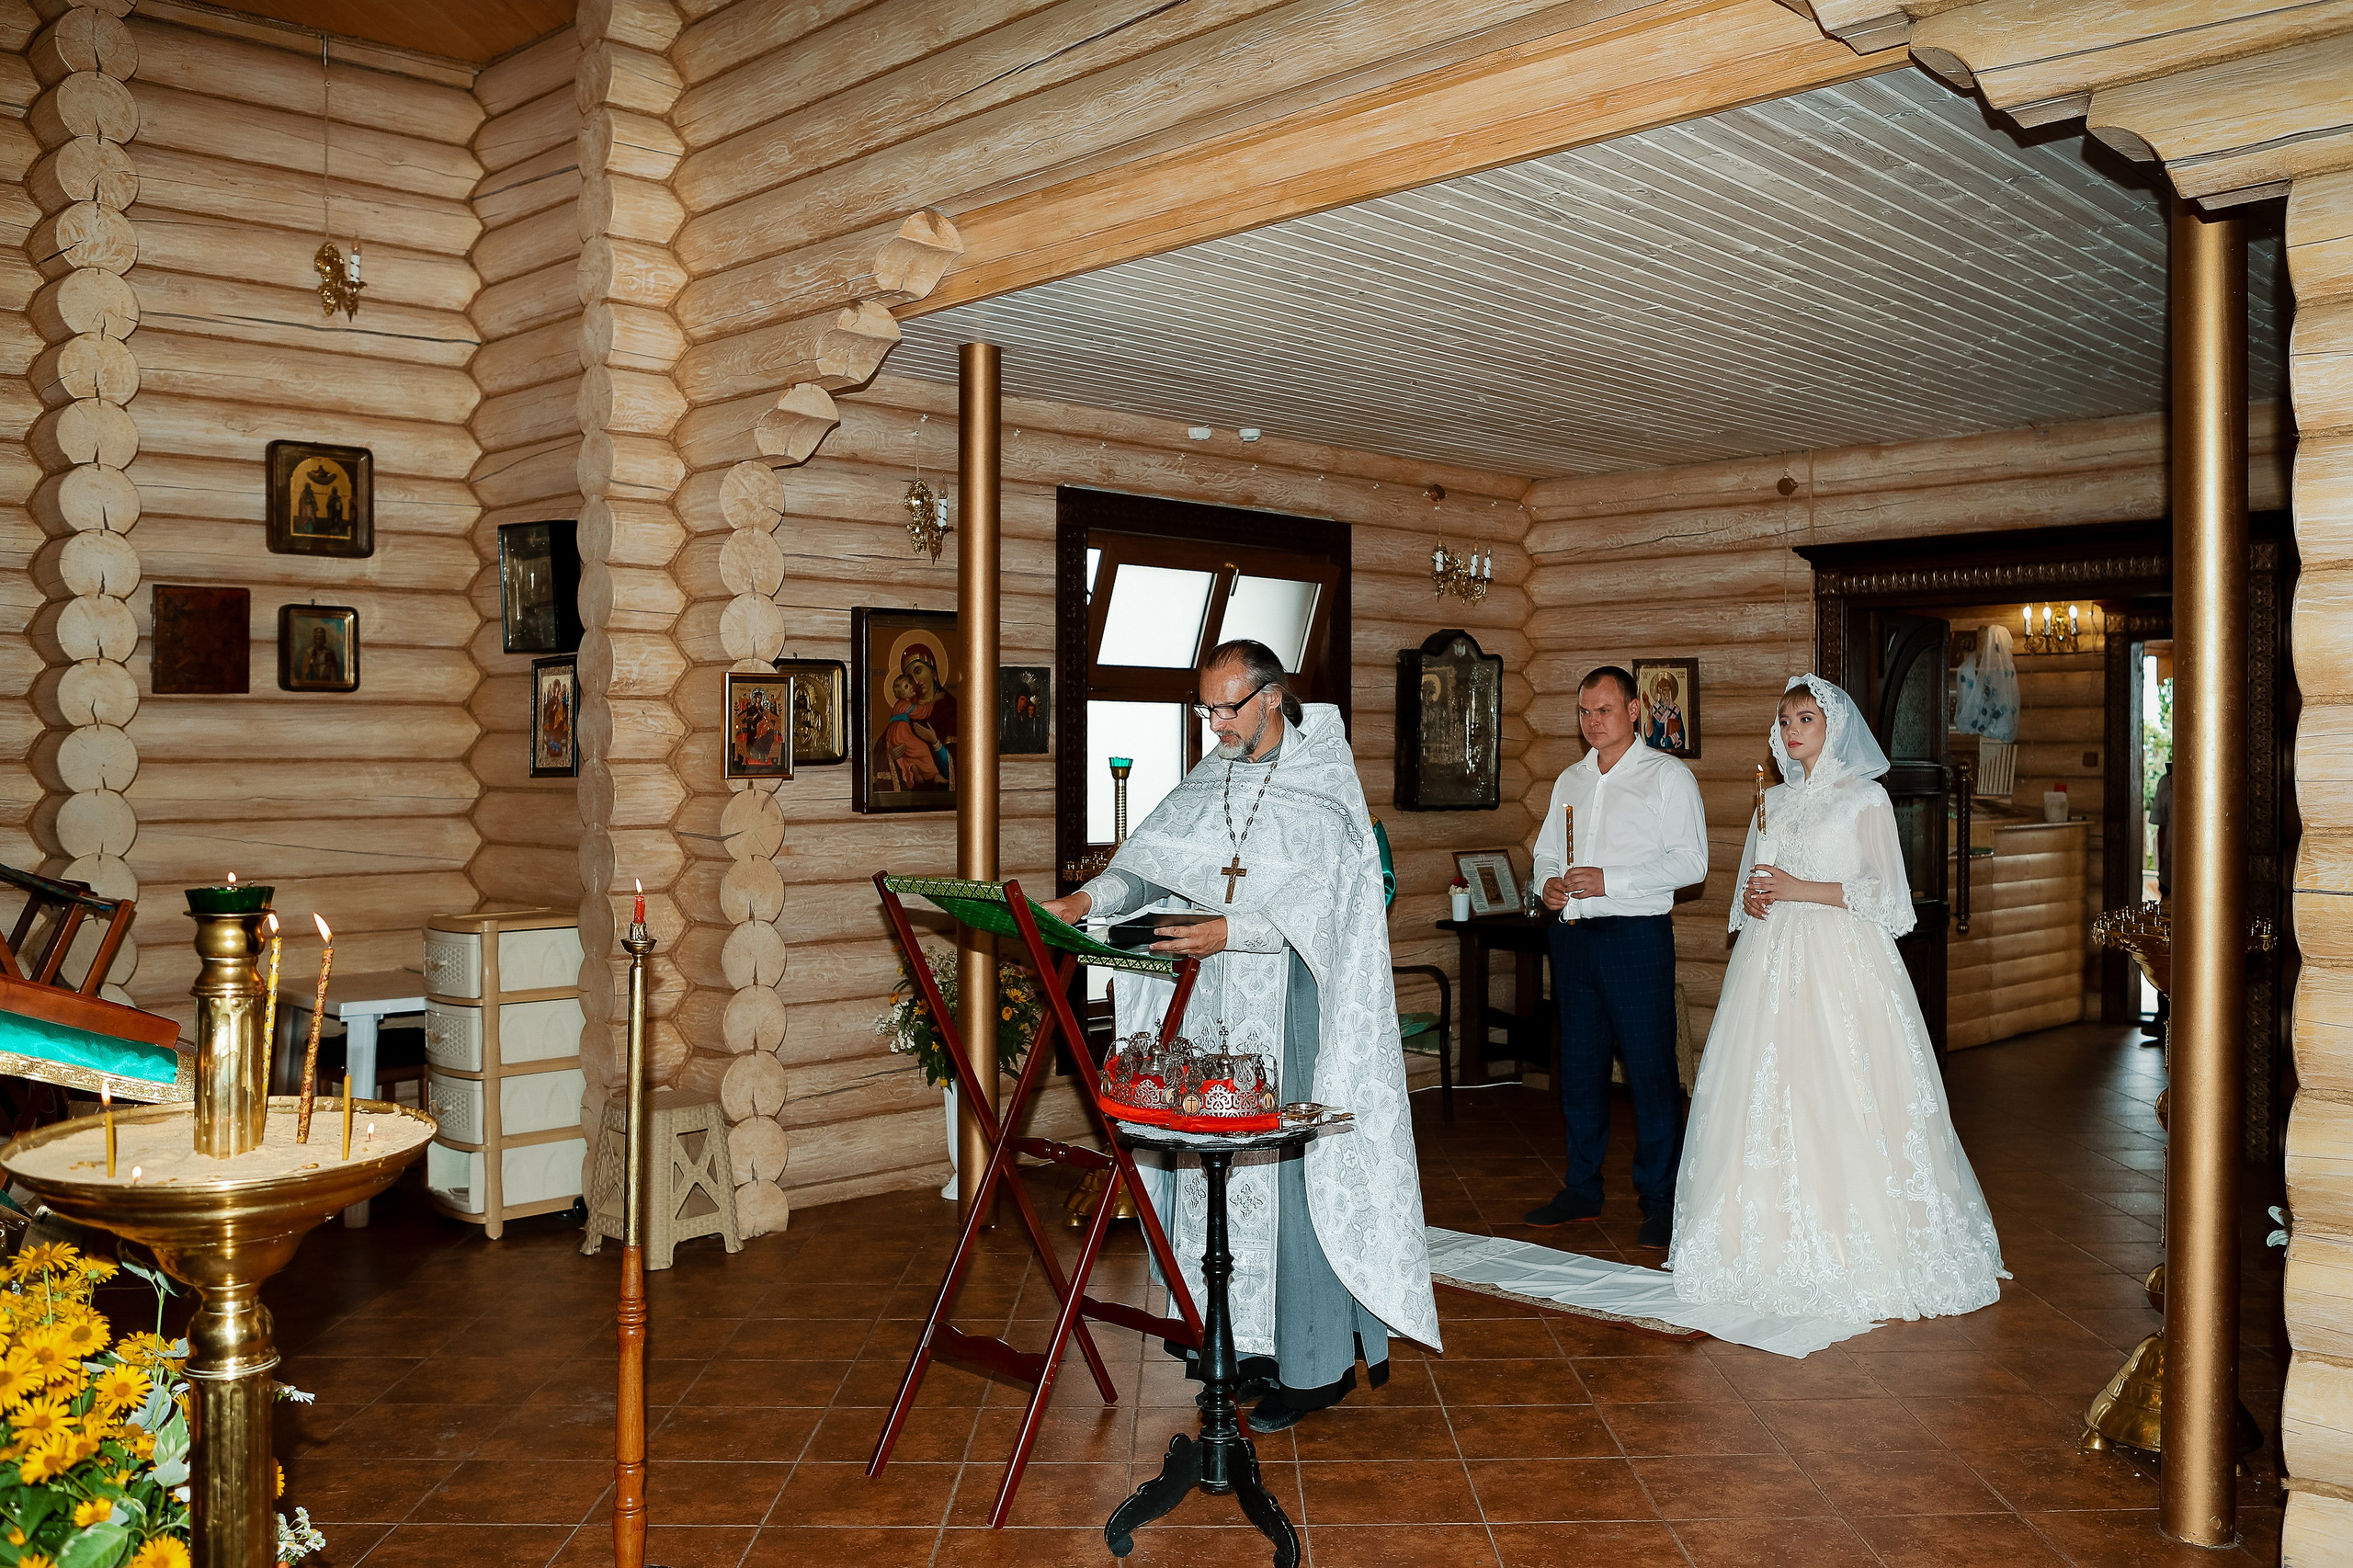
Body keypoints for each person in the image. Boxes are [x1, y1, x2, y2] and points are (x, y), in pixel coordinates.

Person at [1039, 640, 1438, 1433]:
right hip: (1211, 1002)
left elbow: (1332, 908)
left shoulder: (1326, 785)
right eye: (1206, 709)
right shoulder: (1210, 775)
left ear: (1272, 698)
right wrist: (1086, 903)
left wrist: (1235, 928)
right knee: (1209, 1172)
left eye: (1228, 707)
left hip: (1290, 1006)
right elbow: (1152, 862)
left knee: (1289, 1179)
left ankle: (1314, 1367)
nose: (1214, 724)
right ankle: (1241, 1349)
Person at [1669, 675, 2005, 1323]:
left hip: (1843, 962)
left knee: (1842, 1086)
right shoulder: (1775, 801)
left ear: (1835, 727)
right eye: (1786, 720)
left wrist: (1798, 887)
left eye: (1806, 719)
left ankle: (1861, 1242)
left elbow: (1889, 899)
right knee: (1768, 1091)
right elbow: (1753, 887)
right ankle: (1759, 1242)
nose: (1793, 730)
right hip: (1771, 962)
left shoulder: (1866, 801)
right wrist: (1757, 897)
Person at [1523, 666, 1709, 1248]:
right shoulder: (1570, 780)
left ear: (1635, 711)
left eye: (1603, 710)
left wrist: (1612, 880)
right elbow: (1546, 853)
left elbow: (1690, 864)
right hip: (1574, 940)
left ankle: (1659, 1200)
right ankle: (1582, 1187)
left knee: (1650, 1072)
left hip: (1635, 937)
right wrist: (1548, 885)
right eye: (1584, 712)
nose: (1592, 722)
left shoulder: (1667, 777)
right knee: (1578, 1071)